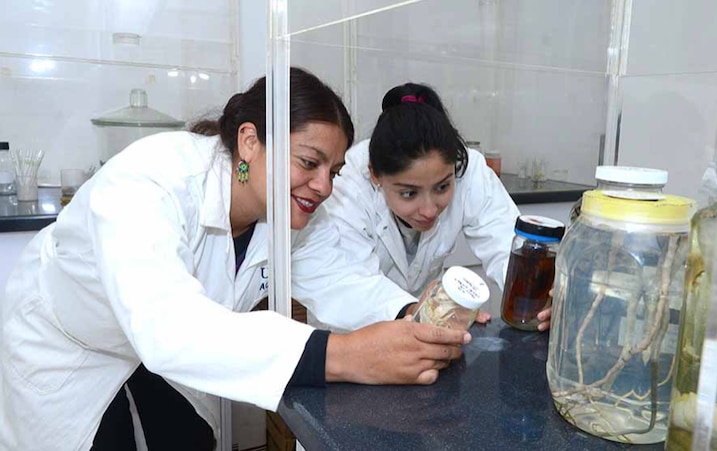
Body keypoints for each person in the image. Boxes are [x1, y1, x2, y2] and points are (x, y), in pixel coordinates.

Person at [0, 69, 469, 451]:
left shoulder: (287, 211)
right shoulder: (150, 181)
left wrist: (409, 313)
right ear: (250, 141)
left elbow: (337, 276)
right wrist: (345, 355)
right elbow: (166, 326)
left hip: (161, 348)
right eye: (309, 162)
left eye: (335, 170)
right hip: (72, 342)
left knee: (188, 440)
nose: (324, 186)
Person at [323, 83, 553, 329]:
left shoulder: (468, 170)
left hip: (430, 325)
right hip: (354, 335)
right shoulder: (348, 183)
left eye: (442, 187)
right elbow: (349, 284)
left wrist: (540, 294)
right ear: (375, 175)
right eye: (409, 193)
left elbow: (506, 247)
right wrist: (414, 310)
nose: (429, 210)